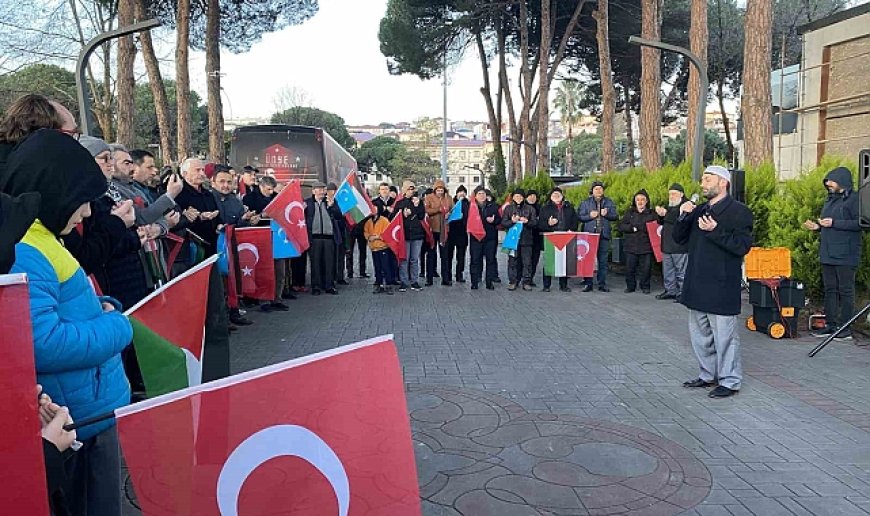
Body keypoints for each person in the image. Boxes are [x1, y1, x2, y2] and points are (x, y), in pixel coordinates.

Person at [5, 129, 133, 514]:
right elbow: (41, 341)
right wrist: (118, 326)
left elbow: (69, 305)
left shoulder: (41, 237)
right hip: (74, 419)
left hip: (84, 408)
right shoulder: (25, 248)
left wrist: (102, 306)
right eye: (82, 201)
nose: (88, 213)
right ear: (55, 192)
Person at [675, 165, 753, 399]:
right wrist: (683, 216)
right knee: (701, 336)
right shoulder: (698, 210)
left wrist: (716, 230)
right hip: (697, 282)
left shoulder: (740, 212)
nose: (703, 184)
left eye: (708, 179)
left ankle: (730, 381)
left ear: (723, 183)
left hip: (721, 285)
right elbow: (679, 240)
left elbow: (742, 246)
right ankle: (707, 374)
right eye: (702, 180)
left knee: (725, 337)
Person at [804, 166, 862, 341]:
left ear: (842, 180)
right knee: (830, 289)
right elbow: (828, 224)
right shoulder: (830, 199)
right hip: (828, 251)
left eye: (831, 181)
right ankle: (830, 325)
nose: (828, 184)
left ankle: (845, 328)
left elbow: (861, 224)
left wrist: (834, 223)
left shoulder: (855, 199)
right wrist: (818, 226)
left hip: (846, 253)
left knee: (845, 290)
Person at [578, 181, 618, 292]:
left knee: (603, 261)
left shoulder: (609, 202)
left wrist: (607, 214)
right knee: (588, 260)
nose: (598, 191)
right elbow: (580, 216)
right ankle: (588, 283)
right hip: (590, 235)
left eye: (600, 188)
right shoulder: (586, 202)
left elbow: (615, 216)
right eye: (596, 189)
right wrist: (589, 216)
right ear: (592, 191)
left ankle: (602, 284)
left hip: (603, 235)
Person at [537, 187, 578, 292]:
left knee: (564, 262)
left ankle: (563, 285)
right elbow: (540, 224)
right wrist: (548, 224)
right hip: (551, 237)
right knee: (549, 262)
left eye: (558, 194)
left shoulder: (569, 207)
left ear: (562, 196)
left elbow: (575, 221)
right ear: (550, 196)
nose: (556, 196)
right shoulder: (545, 208)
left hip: (566, 236)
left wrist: (572, 229)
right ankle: (546, 285)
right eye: (554, 194)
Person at [618, 189, 657, 294]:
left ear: (647, 201)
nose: (640, 202)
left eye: (642, 200)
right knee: (630, 269)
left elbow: (657, 228)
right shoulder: (629, 213)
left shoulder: (652, 213)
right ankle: (630, 286)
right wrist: (631, 228)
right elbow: (621, 226)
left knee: (646, 269)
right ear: (634, 201)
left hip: (646, 246)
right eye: (638, 200)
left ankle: (645, 286)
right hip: (631, 246)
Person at [655, 184, 689, 301]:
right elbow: (662, 222)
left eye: (674, 194)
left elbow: (679, 220)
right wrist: (659, 215)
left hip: (680, 245)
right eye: (670, 194)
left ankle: (682, 293)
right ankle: (670, 290)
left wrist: (665, 214)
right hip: (667, 244)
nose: (671, 196)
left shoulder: (687, 205)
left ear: (681, 194)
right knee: (668, 270)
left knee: (681, 271)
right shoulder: (669, 205)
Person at [305, 181, 340, 295]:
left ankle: (329, 285)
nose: (321, 192)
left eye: (323, 189)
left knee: (329, 263)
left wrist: (332, 207)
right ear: (313, 191)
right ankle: (316, 287)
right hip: (314, 237)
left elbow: (339, 216)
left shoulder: (330, 202)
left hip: (329, 237)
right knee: (315, 263)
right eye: (319, 189)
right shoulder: (308, 203)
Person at [501, 188, 538, 291]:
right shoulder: (508, 209)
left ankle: (526, 281)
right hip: (513, 240)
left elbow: (535, 223)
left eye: (521, 196)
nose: (519, 198)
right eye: (517, 196)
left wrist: (527, 222)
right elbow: (503, 223)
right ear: (513, 197)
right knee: (512, 261)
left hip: (526, 239)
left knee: (527, 262)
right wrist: (512, 221)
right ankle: (513, 281)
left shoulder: (530, 209)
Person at [394, 180, 426, 292]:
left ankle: (414, 281)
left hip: (417, 235)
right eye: (409, 189)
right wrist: (403, 214)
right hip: (405, 235)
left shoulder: (419, 201)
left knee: (414, 259)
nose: (411, 191)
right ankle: (404, 281)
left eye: (413, 189)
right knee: (404, 259)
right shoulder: (400, 203)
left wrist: (417, 206)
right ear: (404, 190)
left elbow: (422, 216)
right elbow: (393, 218)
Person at [469, 185, 501, 290]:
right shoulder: (471, 207)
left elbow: (499, 220)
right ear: (475, 196)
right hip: (476, 238)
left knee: (490, 260)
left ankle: (489, 282)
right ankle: (474, 282)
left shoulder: (492, 206)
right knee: (475, 260)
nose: (482, 196)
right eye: (479, 194)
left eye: (483, 194)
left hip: (490, 237)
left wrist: (494, 220)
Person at [424, 179, 454, 286]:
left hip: (444, 230)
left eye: (442, 190)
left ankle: (445, 279)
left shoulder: (449, 198)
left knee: (445, 256)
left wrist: (449, 214)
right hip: (432, 230)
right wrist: (438, 209)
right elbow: (426, 210)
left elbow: (453, 210)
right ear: (435, 190)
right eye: (438, 190)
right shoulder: (429, 198)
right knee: (431, 255)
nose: (440, 192)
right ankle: (429, 278)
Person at [364, 204, 395, 294]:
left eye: (375, 208)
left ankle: (388, 284)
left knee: (386, 266)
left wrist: (378, 237)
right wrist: (369, 237)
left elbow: (388, 232)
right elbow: (366, 231)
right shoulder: (369, 221)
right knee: (377, 267)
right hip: (374, 248)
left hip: (383, 247)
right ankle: (379, 284)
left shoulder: (384, 220)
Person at [326, 182, 350, 286]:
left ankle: (340, 276)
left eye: (335, 190)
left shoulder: (339, 201)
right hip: (331, 232)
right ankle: (332, 277)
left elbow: (341, 216)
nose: (334, 193)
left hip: (341, 231)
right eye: (332, 191)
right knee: (332, 257)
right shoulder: (325, 202)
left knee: (341, 255)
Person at [445, 185, 469, 284]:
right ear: (456, 193)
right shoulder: (452, 202)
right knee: (449, 255)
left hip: (463, 233)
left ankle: (459, 274)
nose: (462, 194)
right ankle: (448, 275)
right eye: (460, 192)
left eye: (464, 192)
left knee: (461, 256)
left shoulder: (468, 204)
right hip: (451, 233)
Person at [525, 189, 542, 286]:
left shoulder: (540, 208)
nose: (532, 198)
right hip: (525, 237)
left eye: (534, 196)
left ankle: (530, 278)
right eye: (530, 196)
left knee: (535, 259)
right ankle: (524, 277)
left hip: (537, 237)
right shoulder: (523, 207)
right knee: (525, 259)